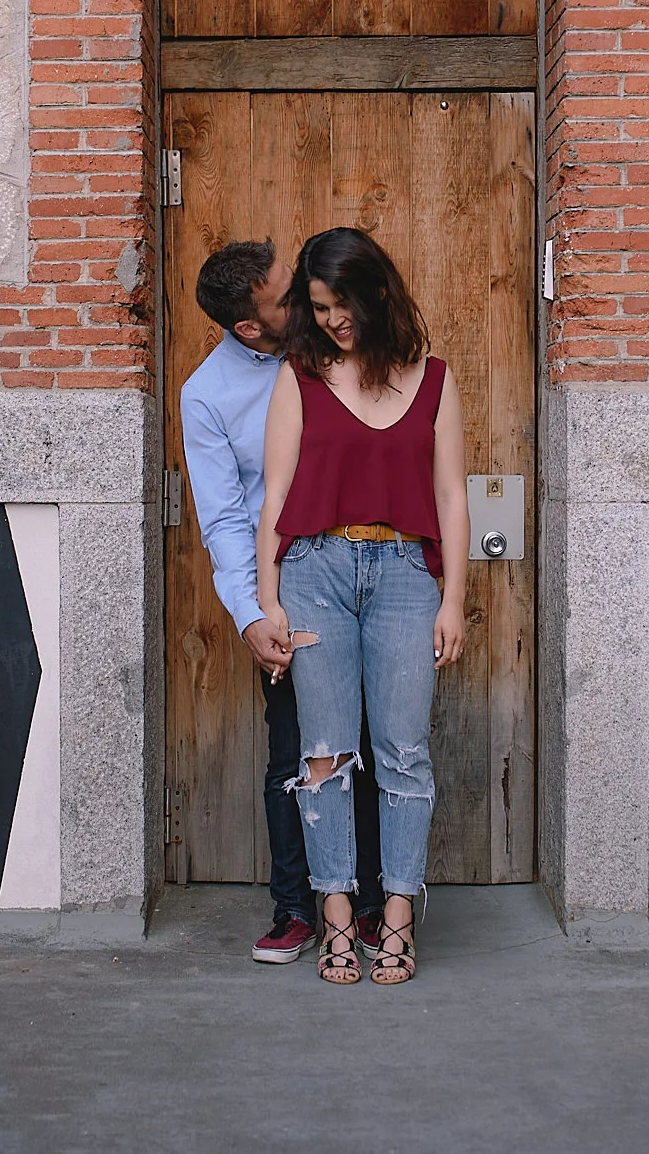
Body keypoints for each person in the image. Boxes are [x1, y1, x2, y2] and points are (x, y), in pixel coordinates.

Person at [256, 227, 468, 987]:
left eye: (342, 302)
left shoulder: (434, 378)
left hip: (409, 571)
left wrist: (455, 600)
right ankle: (338, 916)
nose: (334, 319)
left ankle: (400, 916)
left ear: (377, 289)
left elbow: (450, 495)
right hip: (314, 568)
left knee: (405, 751)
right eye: (319, 307)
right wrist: (267, 599)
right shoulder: (300, 375)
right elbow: (275, 496)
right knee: (325, 754)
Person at [178, 239, 381, 966]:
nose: (304, 302)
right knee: (296, 747)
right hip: (286, 584)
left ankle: (369, 905)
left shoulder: (334, 347)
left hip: (367, 567)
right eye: (286, 298)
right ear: (248, 328)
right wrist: (253, 614)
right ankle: (296, 905)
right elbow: (226, 517)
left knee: (375, 738)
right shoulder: (207, 396)